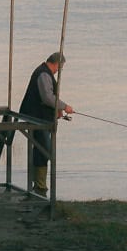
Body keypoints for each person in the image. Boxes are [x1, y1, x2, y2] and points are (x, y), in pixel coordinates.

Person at [17, 50, 73, 196]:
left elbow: (49, 98)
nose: (58, 71)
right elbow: (47, 97)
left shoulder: (44, 72)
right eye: (59, 68)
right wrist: (64, 106)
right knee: (44, 150)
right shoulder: (43, 74)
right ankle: (40, 187)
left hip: (41, 117)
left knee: (41, 150)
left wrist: (58, 110)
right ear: (55, 64)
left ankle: (40, 186)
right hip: (37, 118)